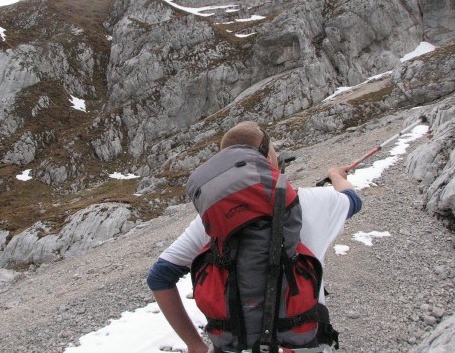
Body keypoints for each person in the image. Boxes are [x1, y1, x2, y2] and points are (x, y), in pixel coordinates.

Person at [147, 121, 362, 353]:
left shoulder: (211, 220)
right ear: (267, 157)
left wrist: (195, 344)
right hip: (301, 346)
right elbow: (353, 200)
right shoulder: (312, 202)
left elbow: (159, 277)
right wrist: (335, 175)